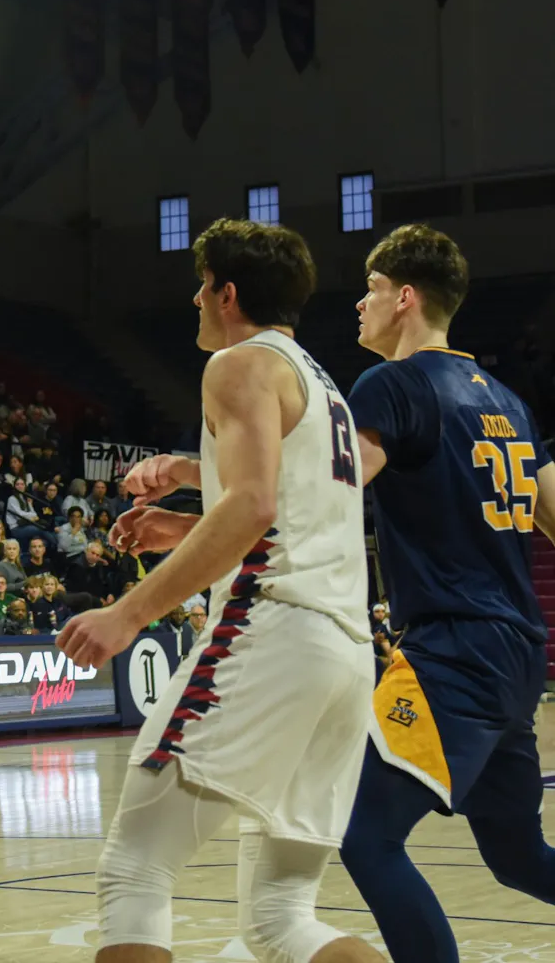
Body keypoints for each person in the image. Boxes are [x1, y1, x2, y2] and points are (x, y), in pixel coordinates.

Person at [57, 218, 383, 962]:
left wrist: (130, 612)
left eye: (202, 287)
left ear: (227, 293)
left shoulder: (238, 364)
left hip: (273, 635)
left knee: (135, 870)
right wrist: (183, 518)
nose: (196, 301)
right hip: (343, 657)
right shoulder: (321, 385)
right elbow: (288, 500)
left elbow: (254, 505)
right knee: (281, 919)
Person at [335, 224, 555, 961]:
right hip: (515, 653)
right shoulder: (509, 403)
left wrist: (207, 509)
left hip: (453, 649)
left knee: (367, 838)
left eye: (370, 289)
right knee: (519, 858)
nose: (359, 304)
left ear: (404, 297)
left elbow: (331, 490)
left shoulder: (392, 384)